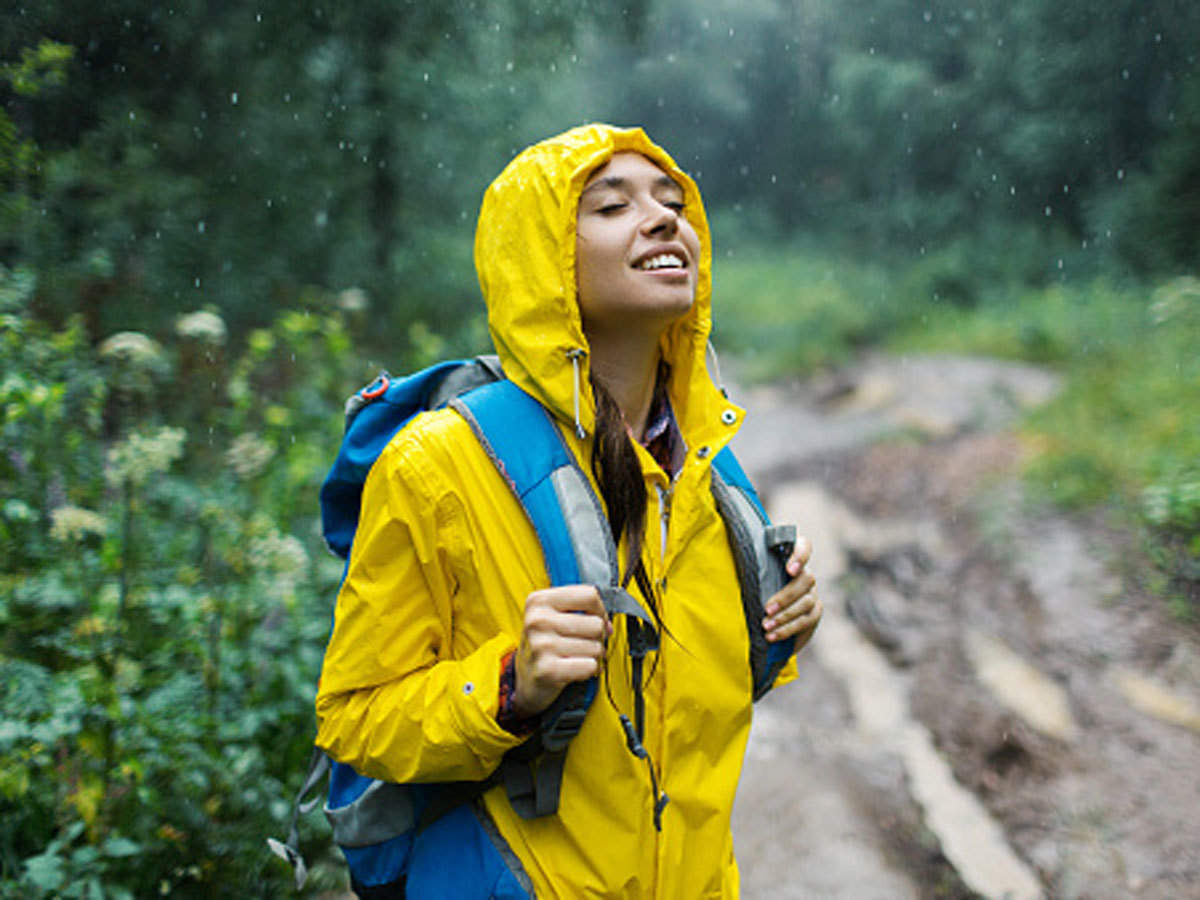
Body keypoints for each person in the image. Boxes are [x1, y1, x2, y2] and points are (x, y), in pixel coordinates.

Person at [314, 123, 821, 898]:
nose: (663, 220)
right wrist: (512, 684)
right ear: (540, 263)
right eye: (612, 207)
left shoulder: (706, 478)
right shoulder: (439, 465)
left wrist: (777, 628)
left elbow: (676, 722)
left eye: (674, 203)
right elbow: (355, 717)